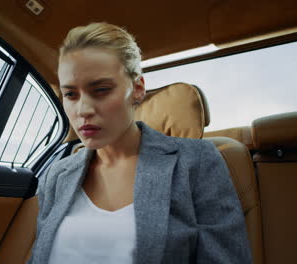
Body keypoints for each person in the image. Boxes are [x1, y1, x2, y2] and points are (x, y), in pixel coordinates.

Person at [28, 22, 252, 263]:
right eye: (71, 94)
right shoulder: (57, 174)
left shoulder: (196, 161)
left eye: (101, 89)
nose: (83, 110)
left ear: (137, 89)